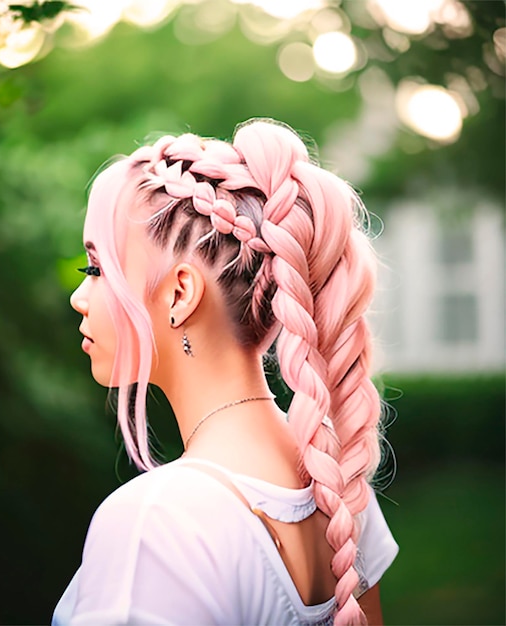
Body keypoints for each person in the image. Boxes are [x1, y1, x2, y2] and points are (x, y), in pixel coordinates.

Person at [54, 118, 398, 626]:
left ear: (179, 294)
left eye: (97, 269)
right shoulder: (338, 483)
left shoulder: (157, 523)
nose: (79, 298)